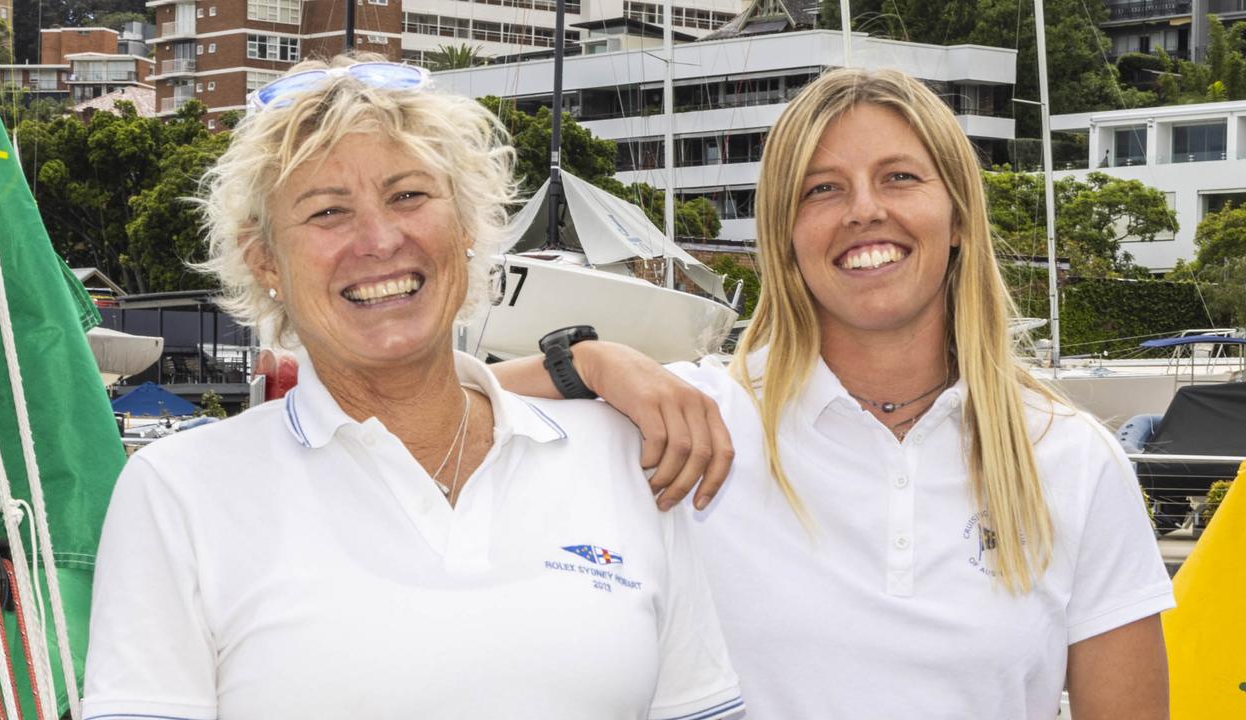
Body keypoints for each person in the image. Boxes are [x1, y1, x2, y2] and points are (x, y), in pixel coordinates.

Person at [496, 68, 1174, 719]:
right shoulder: (696, 421)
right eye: (822, 190)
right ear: (786, 239)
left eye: (899, 178)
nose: (865, 211)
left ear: (959, 216)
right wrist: (589, 362)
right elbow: (420, 412)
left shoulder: (1070, 458)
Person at [82, 55, 744, 720]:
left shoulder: (624, 460)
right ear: (265, 261)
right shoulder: (180, 496)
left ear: (464, 228)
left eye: (408, 196)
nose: (378, 239)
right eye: (327, 211)